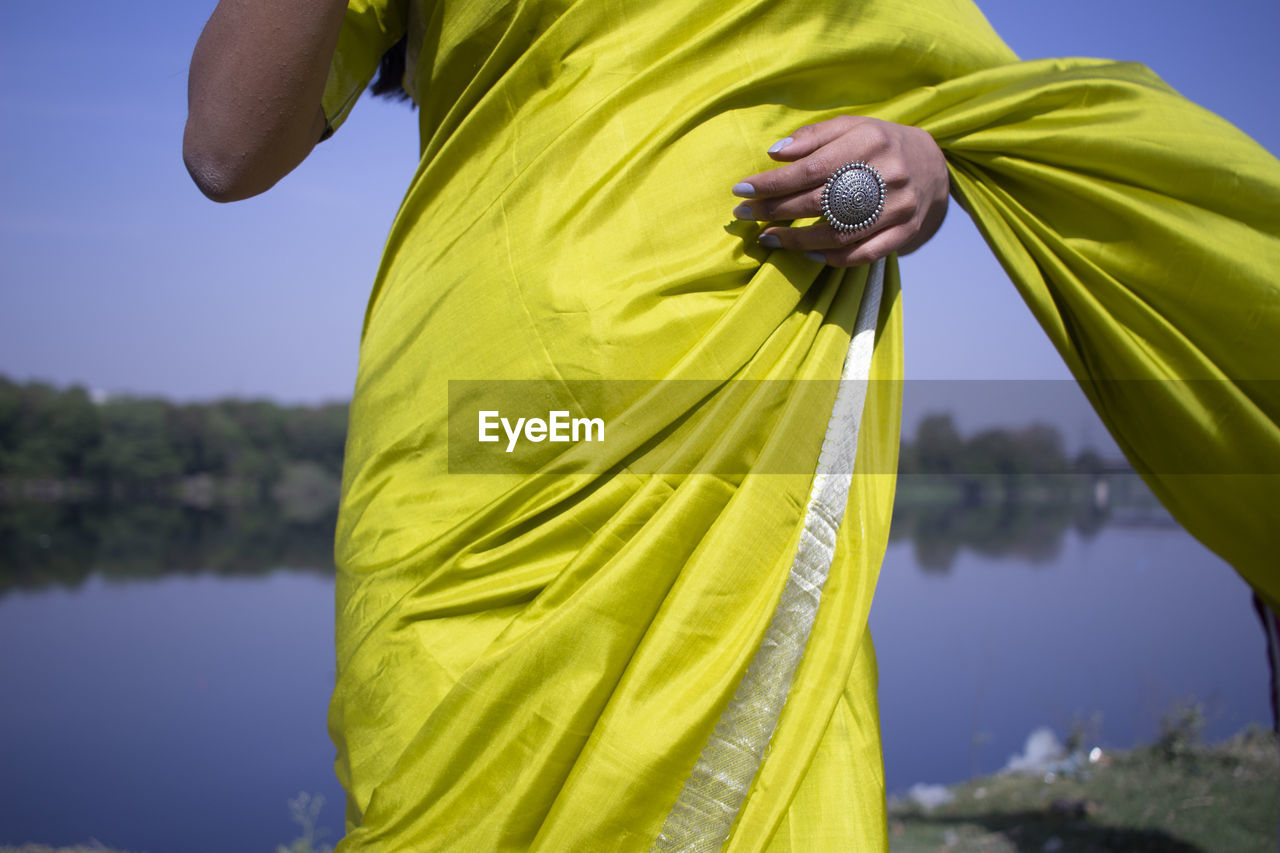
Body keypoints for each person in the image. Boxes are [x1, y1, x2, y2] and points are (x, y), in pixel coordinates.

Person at [184, 0, 1280, 849]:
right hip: (490, 430)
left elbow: (957, 85)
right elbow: (227, 148)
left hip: (751, 418)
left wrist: (925, 165)